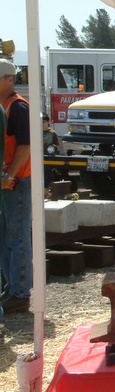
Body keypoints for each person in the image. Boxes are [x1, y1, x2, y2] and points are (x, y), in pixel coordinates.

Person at [0, 58, 32, 314]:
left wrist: (10, 175)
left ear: (9, 80)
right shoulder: (7, 106)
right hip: (10, 182)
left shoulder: (18, 107)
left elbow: (26, 146)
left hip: (16, 182)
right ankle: (12, 289)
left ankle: (19, 293)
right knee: (8, 237)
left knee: (16, 237)